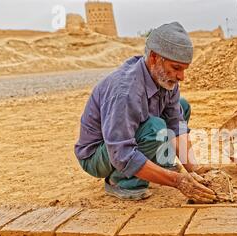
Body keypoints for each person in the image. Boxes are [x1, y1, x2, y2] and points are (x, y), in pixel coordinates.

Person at [74, 22, 217, 203]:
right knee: (155, 129)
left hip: (128, 140)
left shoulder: (165, 79)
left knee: (182, 107)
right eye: (176, 68)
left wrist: (194, 170)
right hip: (99, 155)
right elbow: (121, 152)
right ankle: (120, 181)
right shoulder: (125, 91)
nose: (182, 77)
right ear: (154, 58)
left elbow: (175, 125)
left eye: (184, 69)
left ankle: (159, 164)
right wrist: (177, 182)